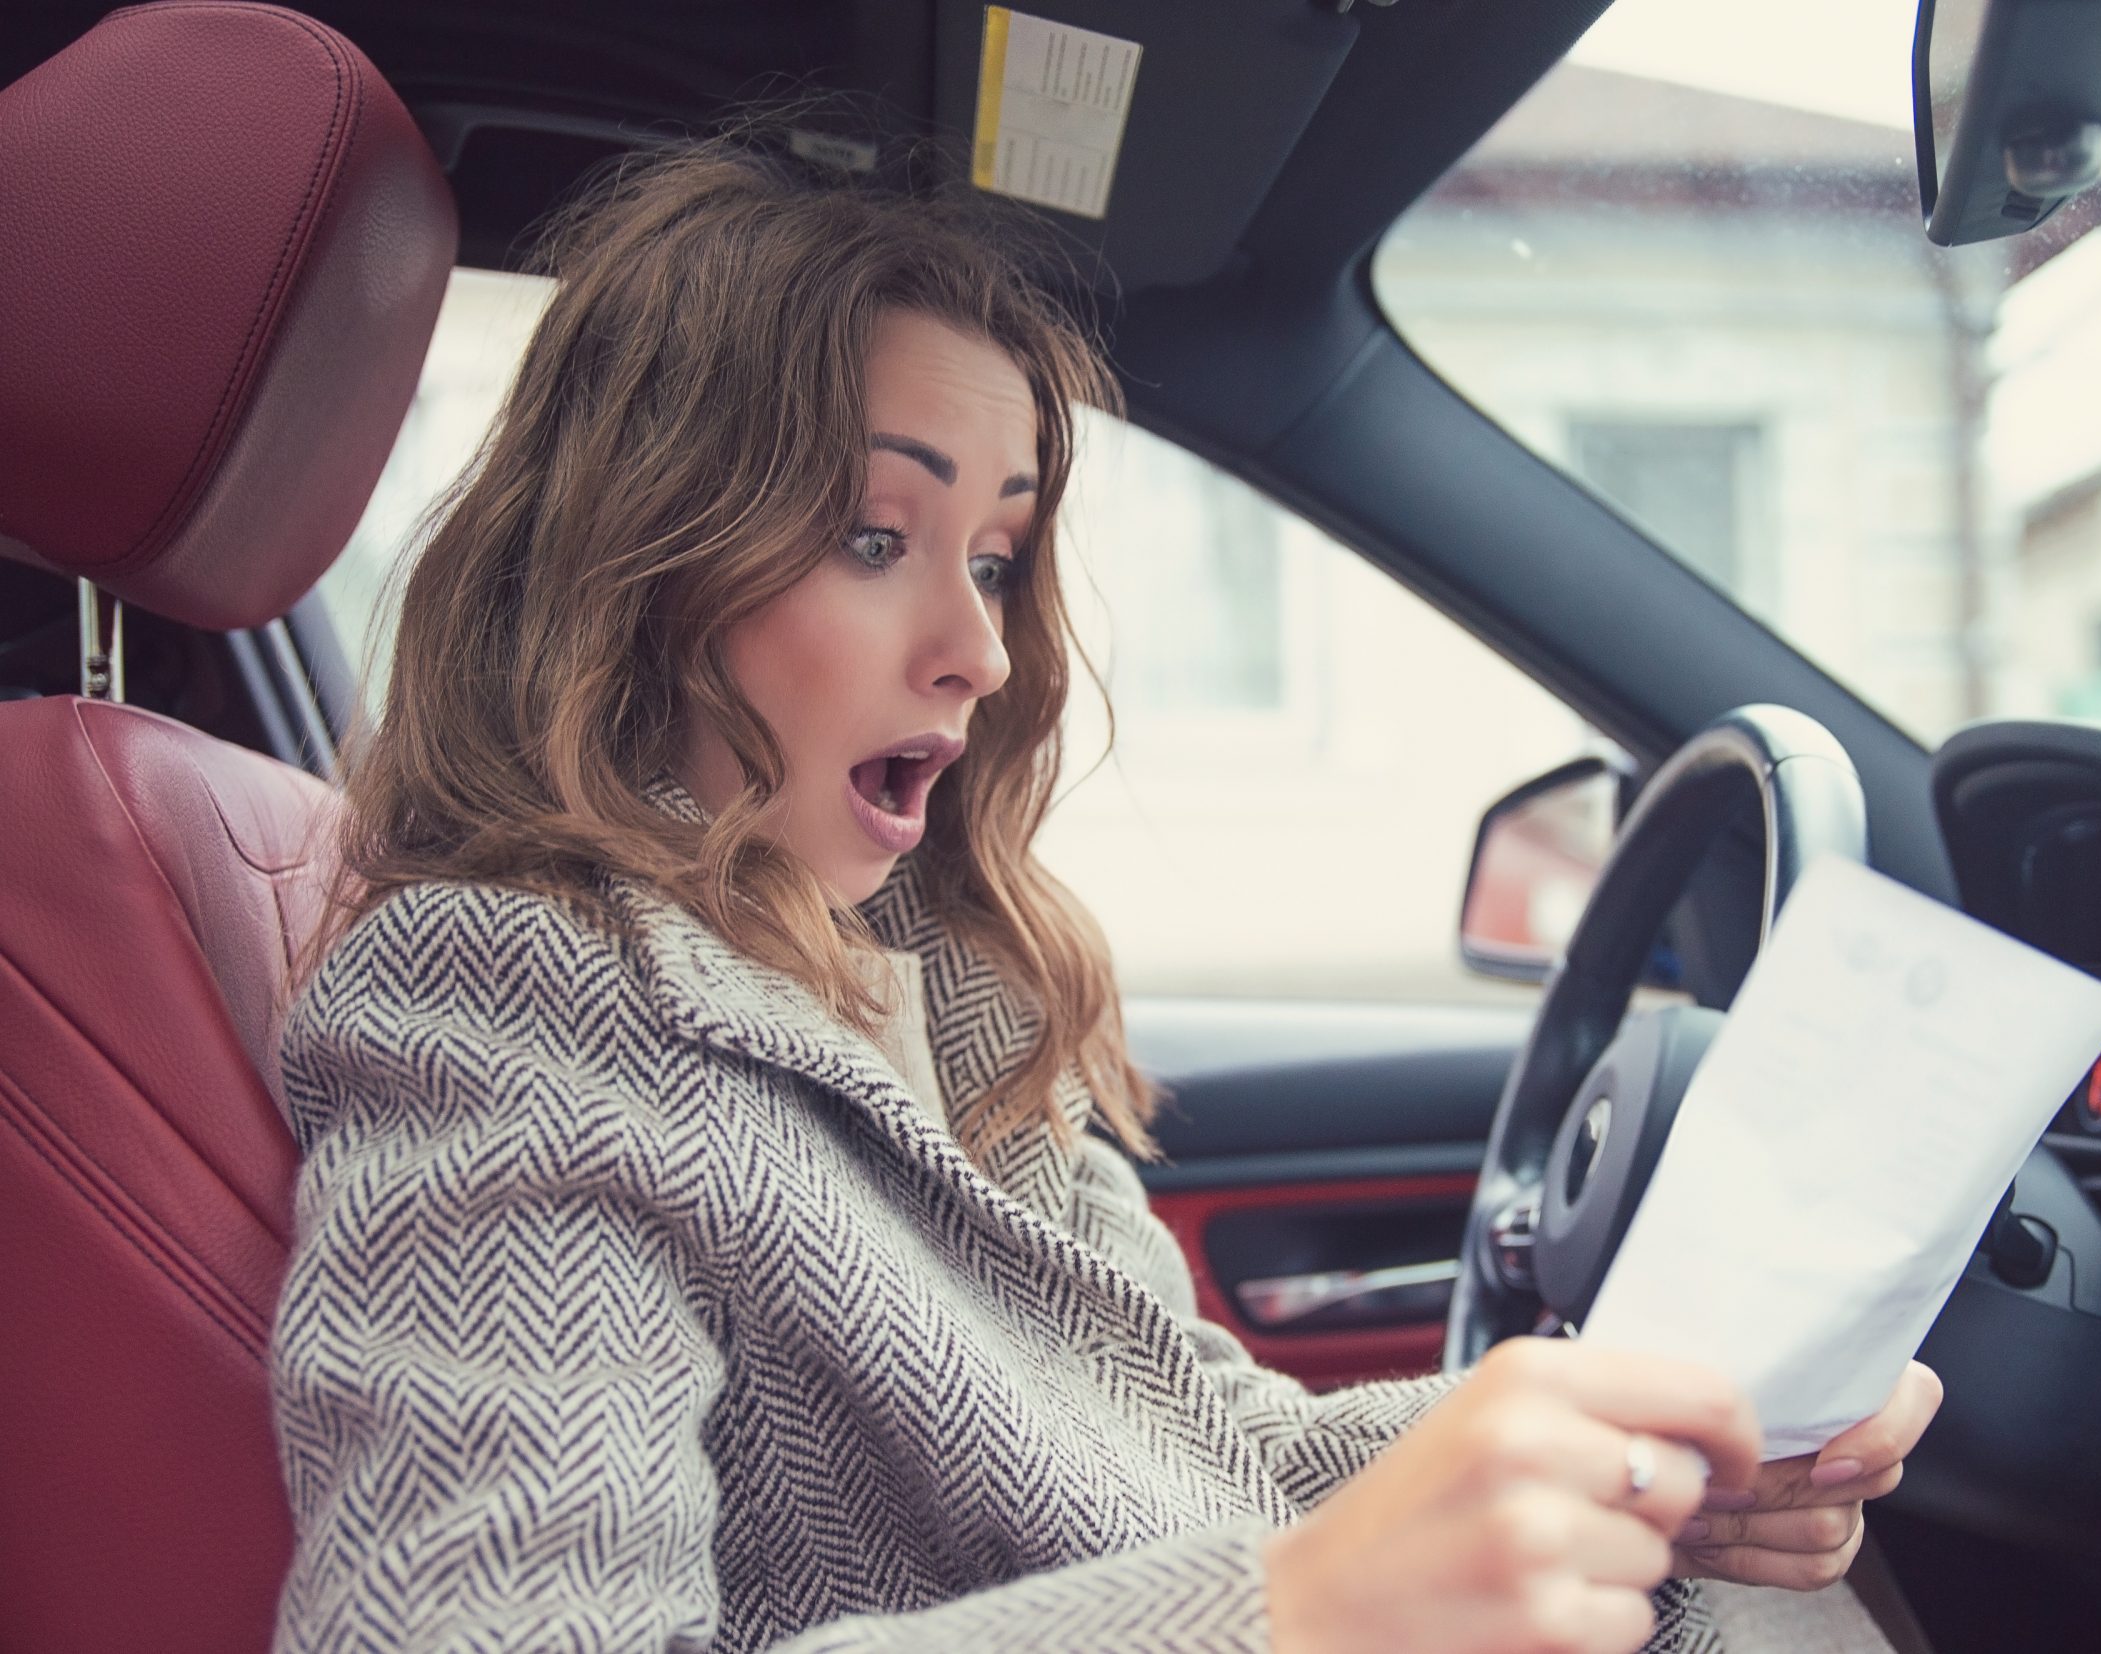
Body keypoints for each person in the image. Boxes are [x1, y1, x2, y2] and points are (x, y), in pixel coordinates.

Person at [270, 132, 1941, 1654]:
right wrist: (1291, 1612)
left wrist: (1614, 1460)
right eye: (875, 536)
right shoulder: (505, 991)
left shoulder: (939, 978)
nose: (981, 650)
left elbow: (1204, 1450)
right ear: (642, 561)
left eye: (993, 557)